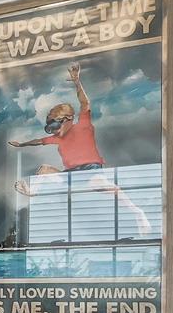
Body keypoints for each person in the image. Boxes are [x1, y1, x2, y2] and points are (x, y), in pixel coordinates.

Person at [8, 61, 154, 236]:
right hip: (70, 175)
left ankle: (138, 213)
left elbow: (85, 104)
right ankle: (32, 192)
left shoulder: (82, 126)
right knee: (44, 169)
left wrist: (77, 82)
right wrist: (21, 144)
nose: (54, 131)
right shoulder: (57, 138)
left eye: (56, 126)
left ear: (68, 119)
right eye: (51, 128)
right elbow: (38, 141)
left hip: (90, 172)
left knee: (106, 186)